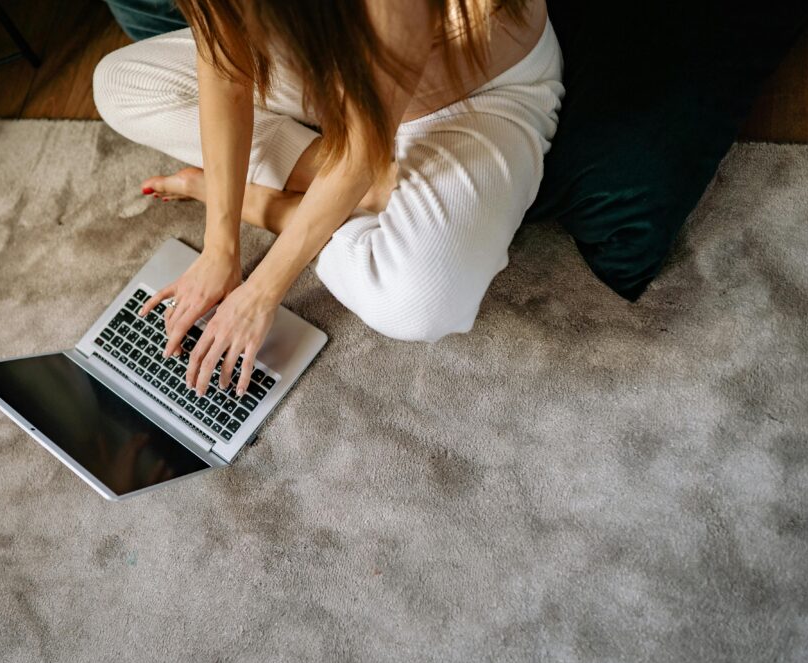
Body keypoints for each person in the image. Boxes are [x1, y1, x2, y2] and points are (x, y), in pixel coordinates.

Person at [93, 0, 564, 399]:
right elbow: (224, 66)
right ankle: (376, 190)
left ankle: (277, 203)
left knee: (417, 302)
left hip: (469, 99)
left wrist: (261, 290)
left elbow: (360, 150)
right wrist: (220, 247)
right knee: (119, 84)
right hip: (322, 68)